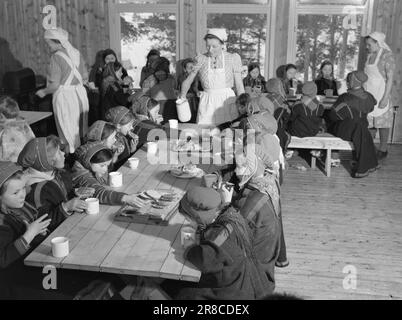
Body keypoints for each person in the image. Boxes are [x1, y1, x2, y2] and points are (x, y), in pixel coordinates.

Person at [172, 186, 271, 300]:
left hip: (236, 291)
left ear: (199, 216)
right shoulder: (232, 215)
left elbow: (205, 260)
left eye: (189, 219)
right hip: (248, 279)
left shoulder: (221, 235)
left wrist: (189, 246)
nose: (188, 222)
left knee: (181, 293)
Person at [233, 145, 281, 288]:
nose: (237, 170)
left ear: (254, 167)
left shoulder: (253, 202)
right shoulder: (269, 182)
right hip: (265, 261)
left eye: (241, 166)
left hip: (251, 274)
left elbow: (232, 232)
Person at [36, 27, 89, 154]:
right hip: (80, 96)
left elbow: (54, 85)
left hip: (66, 97)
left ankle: (69, 159)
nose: (48, 47)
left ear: (58, 42)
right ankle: (82, 155)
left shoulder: (56, 57)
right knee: (79, 128)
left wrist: (43, 92)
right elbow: (85, 77)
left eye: (49, 43)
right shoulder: (76, 53)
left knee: (66, 129)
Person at [179, 29, 245, 126]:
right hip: (207, 102)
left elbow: (239, 85)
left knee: (228, 134)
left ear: (222, 45)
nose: (210, 50)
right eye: (208, 46)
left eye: (214, 46)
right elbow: (188, 81)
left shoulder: (232, 58)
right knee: (204, 136)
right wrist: (182, 97)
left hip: (227, 101)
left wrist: (244, 105)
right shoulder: (201, 59)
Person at [18, 137, 89, 225]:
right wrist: (66, 207)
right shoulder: (35, 190)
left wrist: (75, 192)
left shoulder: (59, 173)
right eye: (58, 153)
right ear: (46, 161)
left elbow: (62, 194)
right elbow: (43, 223)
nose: (63, 153)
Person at [326, 71, 379, 178]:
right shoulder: (369, 96)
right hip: (362, 128)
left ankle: (332, 155)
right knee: (359, 125)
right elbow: (372, 107)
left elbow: (334, 115)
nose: (347, 81)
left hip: (346, 131)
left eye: (348, 80)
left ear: (352, 81)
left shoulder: (346, 98)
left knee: (328, 121)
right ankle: (371, 164)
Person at [71, 141, 145, 207]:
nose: (105, 169)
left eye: (107, 165)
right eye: (102, 165)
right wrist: (125, 198)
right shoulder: (81, 176)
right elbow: (97, 192)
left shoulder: (90, 168)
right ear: (88, 161)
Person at [364, 32, 396, 160]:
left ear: (377, 43)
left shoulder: (387, 56)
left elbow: (390, 79)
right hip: (369, 94)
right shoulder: (369, 55)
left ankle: (383, 150)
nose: (367, 47)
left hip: (381, 93)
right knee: (370, 122)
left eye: (369, 44)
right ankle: (369, 148)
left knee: (382, 124)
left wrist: (385, 98)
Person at [0, 96, 35, 162]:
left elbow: (5, 157)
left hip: (14, 166)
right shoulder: (24, 125)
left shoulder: (6, 133)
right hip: (29, 160)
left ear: (1, 116)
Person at [148, 57, 178, 123]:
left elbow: (146, 94)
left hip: (156, 107)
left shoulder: (150, 78)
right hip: (171, 106)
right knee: (171, 128)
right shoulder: (172, 77)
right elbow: (175, 89)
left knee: (158, 128)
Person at [265, 78, 292, 152]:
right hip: (278, 130)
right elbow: (288, 116)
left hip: (264, 128)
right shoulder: (282, 100)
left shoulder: (265, 98)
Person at [177, 58, 201, 123]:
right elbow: (183, 89)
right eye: (189, 68)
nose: (191, 69)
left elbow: (196, 88)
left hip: (196, 100)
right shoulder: (182, 77)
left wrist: (197, 92)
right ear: (185, 69)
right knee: (186, 117)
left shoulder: (197, 76)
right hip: (186, 100)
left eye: (192, 67)